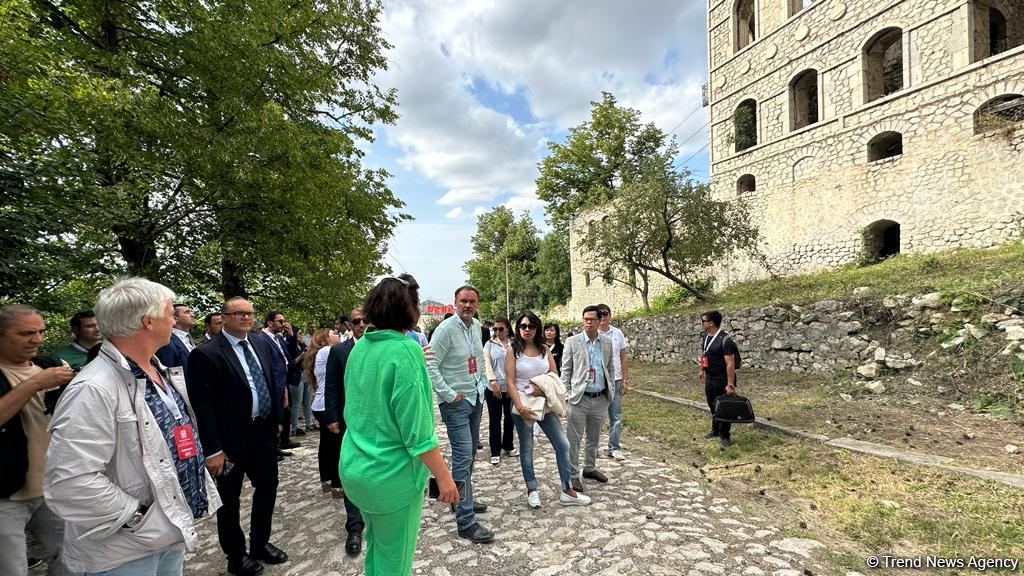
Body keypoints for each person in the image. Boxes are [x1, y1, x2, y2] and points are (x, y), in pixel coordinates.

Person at [44, 277, 222, 575]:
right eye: (170, 312)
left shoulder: (157, 371)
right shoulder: (93, 388)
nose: (174, 320)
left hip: (167, 529)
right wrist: (139, 517)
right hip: (124, 550)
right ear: (148, 321)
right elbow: (70, 481)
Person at [340, 275, 459, 575]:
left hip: (356, 468)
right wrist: (444, 477)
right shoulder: (406, 350)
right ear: (411, 308)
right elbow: (418, 433)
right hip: (390, 476)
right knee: (395, 561)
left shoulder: (360, 347)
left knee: (378, 547)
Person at [186, 297, 287, 576]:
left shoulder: (259, 343)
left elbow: (269, 380)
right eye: (239, 313)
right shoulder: (206, 353)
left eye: (249, 313)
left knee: (267, 487)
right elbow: (202, 406)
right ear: (225, 317)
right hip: (229, 440)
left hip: (263, 432)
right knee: (229, 499)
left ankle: (260, 543)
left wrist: (276, 420)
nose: (246, 317)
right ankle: (236, 554)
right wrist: (213, 449)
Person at [0, 305, 75, 576]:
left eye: (41, 331)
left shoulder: (49, 364)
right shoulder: (41, 375)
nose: (37, 339)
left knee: (72, 561)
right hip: (7, 493)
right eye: (26, 333)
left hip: (54, 485)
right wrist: (35, 384)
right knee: (11, 569)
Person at [426, 285, 493, 543]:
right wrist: (448, 393)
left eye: (472, 301)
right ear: (455, 302)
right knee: (463, 457)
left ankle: (460, 498)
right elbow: (430, 365)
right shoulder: (444, 330)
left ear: (477, 304)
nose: (468, 305)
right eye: (463, 301)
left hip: (475, 398)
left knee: (470, 453)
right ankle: (466, 521)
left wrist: (482, 383)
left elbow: (478, 358)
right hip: (456, 403)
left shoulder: (475, 326)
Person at [505, 312, 590, 509]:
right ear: (518, 328)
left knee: (562, 444)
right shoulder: (513, 350)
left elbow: (554, 373)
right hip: (523, 404)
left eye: (531, 326)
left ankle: (567, 490)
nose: (527, 330)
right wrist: (520, 407)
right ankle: (532, 490)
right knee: (527, 447)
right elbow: (509, 381)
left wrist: (541, 388)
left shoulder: (544, 349)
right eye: (523, 326)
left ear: (537, 328)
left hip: (544, 402)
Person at [323, 308, 368, 556]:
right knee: (351, 471)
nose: (361, 324)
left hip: (376, 422)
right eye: (357, 321)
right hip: (347, 420)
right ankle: (354, 525)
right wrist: (331, 416)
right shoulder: (339, 351)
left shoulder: (379, 349)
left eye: (365, 320)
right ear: (350, 324)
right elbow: (331, 385)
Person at [560, 305, 615, 492]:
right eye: (585, 319)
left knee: (594, 437)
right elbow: (566, 370)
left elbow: (610, 366)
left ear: (600, 321)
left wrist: (610, 390)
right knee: (574, 439)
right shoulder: (572, 342)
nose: (588, 322)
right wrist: (566, 394)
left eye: (592, 319)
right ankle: (573, 474)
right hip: (579, 398)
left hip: (600, 397)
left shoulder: (606, 342)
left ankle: (589, 468)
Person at [253, 311, 298, 452]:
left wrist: (291, 336)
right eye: (280, 321)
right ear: (270, 322)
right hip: (273, 383)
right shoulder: (262, 339)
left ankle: (281, 442)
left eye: (284, 321)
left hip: (283, 381)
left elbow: (289, 354)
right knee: (276, 415)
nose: (283, 324)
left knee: (285, 411)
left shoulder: (278, 338)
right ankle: (273, 447)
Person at [307, 328, 341, 497]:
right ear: (325, 338)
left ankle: (326, 480)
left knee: (326, 444)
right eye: (334, 333)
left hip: (320, 405)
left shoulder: (320, 353)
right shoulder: (327, 350)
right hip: (326, 406)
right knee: (335, 446)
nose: (338, 334)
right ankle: (337, 484)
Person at [698, 311, 738, 448]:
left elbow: (730, 364)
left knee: (723, 407)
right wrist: (702, 369)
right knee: (712, 405)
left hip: (722, 379)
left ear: (711, 323)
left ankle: (725, 436)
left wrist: (730, 384)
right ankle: (715, 430)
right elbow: (705, 354)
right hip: (710, 378)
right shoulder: (705, 337)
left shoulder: (725, 340)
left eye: (703, 321)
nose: (702, 323)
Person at [597, 304, 629, 460]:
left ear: (610, 315)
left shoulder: (617, 333)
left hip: (615, 379)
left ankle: (614, 447)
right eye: (600, 314)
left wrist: (625, 379)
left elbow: (623, 357)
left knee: (616, 416)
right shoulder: (592, 334)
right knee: (596, 416)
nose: (603, 317)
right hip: (598, 380)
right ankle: (593, 447)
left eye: (605, 313)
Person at [482, 317, 516, 466]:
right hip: (494, 388)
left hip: (510, 387)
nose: (497, 332)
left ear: (507, 328)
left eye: (500, 329)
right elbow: (486, 363)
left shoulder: (514, 343)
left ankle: (508, 444)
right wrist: (492, 381)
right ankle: (495, 450)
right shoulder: (489, 344)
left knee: (510, 418)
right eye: (495, 329)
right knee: (495, 419)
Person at [155, 303, 197, 372]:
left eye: (191, 312)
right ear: (175, 318)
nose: (192, 315)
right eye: (187, 312)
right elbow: (168, 372)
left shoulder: (189, 339)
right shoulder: (167, 342)